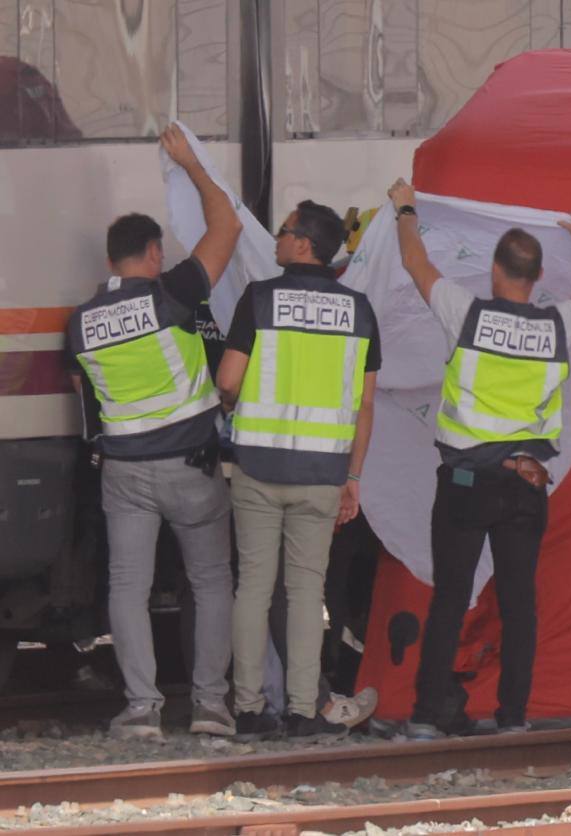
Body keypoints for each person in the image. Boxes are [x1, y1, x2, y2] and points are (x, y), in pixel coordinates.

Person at [386, 178, 571, 738]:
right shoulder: (558, 324)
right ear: (536, 279)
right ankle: (512, 718)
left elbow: (416, 262)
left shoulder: (467, 313)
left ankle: (425, 718)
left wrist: (406, 207)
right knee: (518, 605)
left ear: (494, 270)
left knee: (451, 598)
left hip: (465, 483)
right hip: (526, 485)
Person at [65, 124, 242, 740]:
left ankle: (142, 708)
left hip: (125, 475)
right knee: (212, 581)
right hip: (191, 467)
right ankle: (212, 706)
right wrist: (193, 166)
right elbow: (228, 230)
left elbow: (85, 398)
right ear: (153, 254)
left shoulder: (81, 324)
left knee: (128, 588)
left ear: (111, 259)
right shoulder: (173, 296)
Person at [217, 199, 381, 740]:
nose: (278, 240)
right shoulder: (359, 311)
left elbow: (229, 381)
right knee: (307, 592)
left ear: (304, 243)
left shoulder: (260, 299)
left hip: (259, 469)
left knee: (254, 589)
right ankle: (303, 710)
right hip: (321, 476)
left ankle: (246, 709)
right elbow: (364, 406)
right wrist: (353, 478)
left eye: (284, 232)